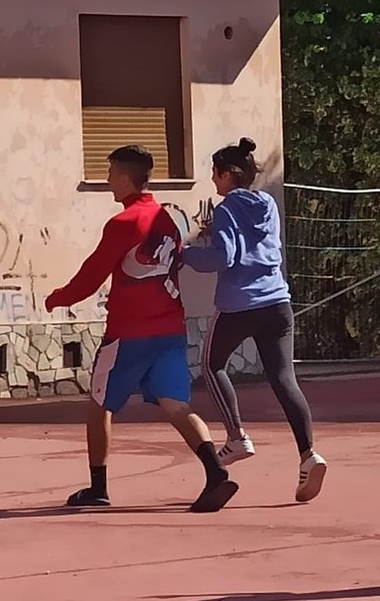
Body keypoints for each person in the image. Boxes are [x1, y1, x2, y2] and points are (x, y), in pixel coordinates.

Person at [44, 145, 238, 513]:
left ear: (124, 178)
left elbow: (92, 274)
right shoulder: (168, 220)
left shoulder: (124, 223)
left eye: (110, 174)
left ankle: (98, 486)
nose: (107, 181)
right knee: (176, 405)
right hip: (169, 331)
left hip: (128, 334)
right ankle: (216, 473)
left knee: (100, 403)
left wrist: (59, 298)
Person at [183, 137, 326, 502]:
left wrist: (186, 254)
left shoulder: (226, 208)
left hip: (239, 305)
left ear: (227, 175)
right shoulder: (268, 203)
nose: (212, 180)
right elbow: (254, 243)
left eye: (214, 173)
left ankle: (236, 437)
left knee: (211, 365)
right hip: (277, 302)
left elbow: (224, 257)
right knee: (284, 378)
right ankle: (309, 455)